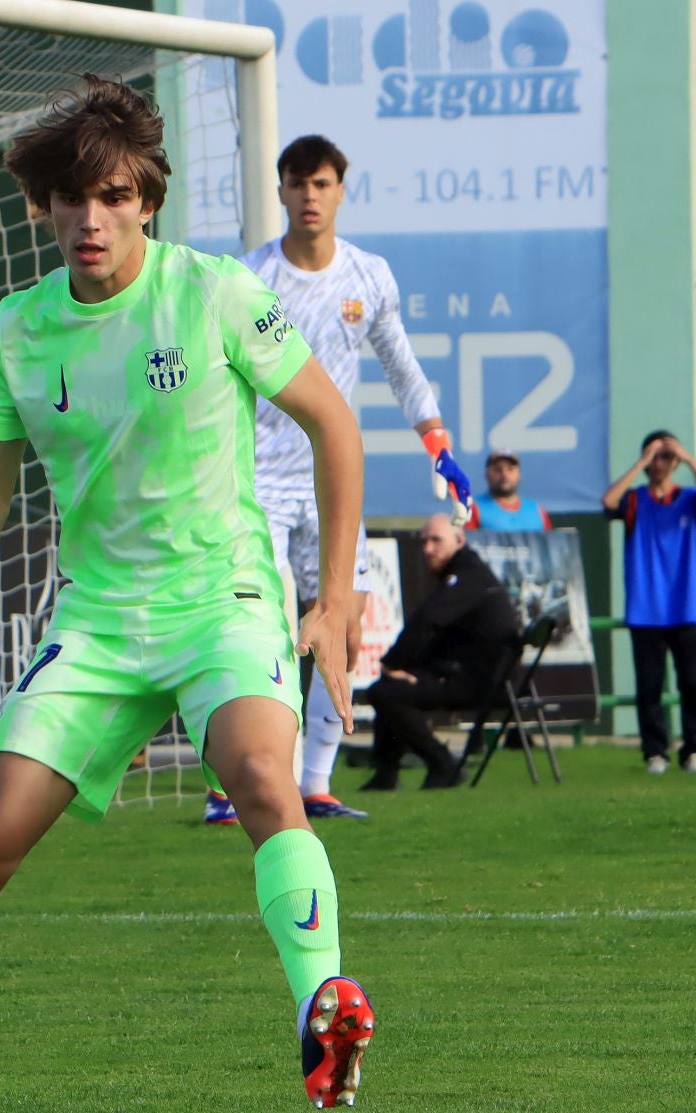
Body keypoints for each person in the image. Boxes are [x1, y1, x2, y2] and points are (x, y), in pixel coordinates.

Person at [0, 76, 375, 1113]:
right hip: (94, 621)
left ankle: (324, 1007)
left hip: (221, 597)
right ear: (44, 205)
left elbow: (335, 426)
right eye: (73, 197)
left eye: (116, 195)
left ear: (147, 202)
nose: (92, 217)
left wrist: (333, 598)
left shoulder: (214, 291)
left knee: (267, 779)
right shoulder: (17, 331)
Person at [222, 133, 473, 825]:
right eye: (298, 183)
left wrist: (439, 445)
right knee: (264, 629)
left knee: (348, 626)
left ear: (340, 189)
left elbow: (401, 366)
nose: (310, 195)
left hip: (335, 481)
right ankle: (237, 779)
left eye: (323, 183)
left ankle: (316, 783)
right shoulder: (250, 279)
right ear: (280, 192)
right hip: (261, 482)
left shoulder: (368, 277)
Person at [360, 514, 521, 791]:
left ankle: (441, 762)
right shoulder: (470, 574)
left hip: (483, 684)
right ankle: (385, 774)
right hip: (477, 676)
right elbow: (441, 635)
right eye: (424, 542)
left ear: (459, 540)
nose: (427, 549)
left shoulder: (465, 577)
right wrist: (409, 670)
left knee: (384, 692)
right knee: (390, 687)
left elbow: (426, 621)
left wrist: (394, 663)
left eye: (436, 540)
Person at [601, 431, 696, 774]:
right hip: (646, 611)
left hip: (685, 608)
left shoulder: (689, 499)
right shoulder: (634, 501)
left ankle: (693, 751)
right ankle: (655, 752)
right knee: (650, 687)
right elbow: (608, 502)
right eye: (653, 457)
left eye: (664, 456)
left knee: (690, 685)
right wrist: (640, 461)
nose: (659, 463)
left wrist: (688, 458)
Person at [465, 450, 551, 531]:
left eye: (510, 469)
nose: (504, 475)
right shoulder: (473, 508)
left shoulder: (537, 511)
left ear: (519, 474)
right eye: (497, 469)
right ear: (487, 475)